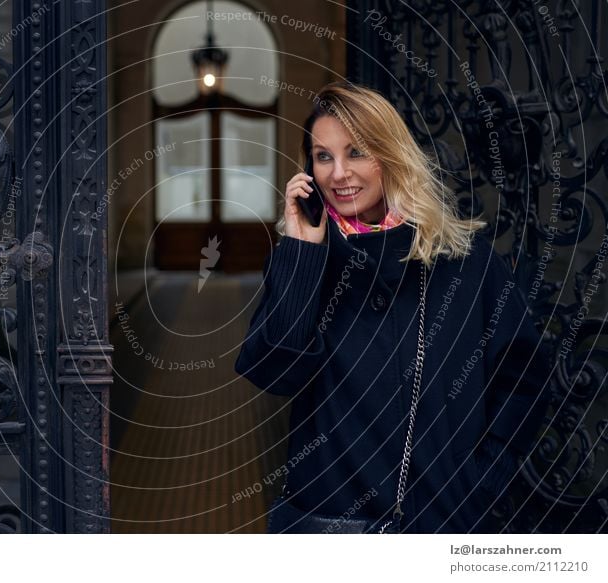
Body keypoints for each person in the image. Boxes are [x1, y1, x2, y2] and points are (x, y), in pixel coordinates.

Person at [234, 81, 553, 534]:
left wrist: (483, 480)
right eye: (323, 156)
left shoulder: (464, 260)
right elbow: (273, 372)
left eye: (357, 152)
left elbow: (525, 378)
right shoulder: (304, 260)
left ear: (391, 156)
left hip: (443, 520)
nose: (338, 173)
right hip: (328, 523)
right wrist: (302, 253)